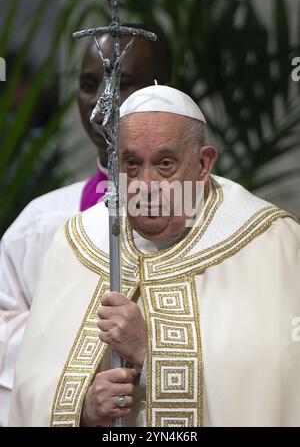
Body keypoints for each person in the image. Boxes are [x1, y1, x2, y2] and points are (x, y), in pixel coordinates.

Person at [8, 85, 300, 427]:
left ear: (204, 163)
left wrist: (152, 352)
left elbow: (275, 380)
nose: (145, 185)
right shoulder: (77, 243)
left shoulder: (269, 242)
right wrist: (82, 408)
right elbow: (29, 383)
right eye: (131, 164)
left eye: (164, 164)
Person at [0, 29, 172, 426]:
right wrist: (82, 378)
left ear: (165, 91)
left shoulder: (216, 225)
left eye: (123, 83)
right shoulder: (41, 222)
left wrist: (152, 349)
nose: (101, 103)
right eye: (89, 84)